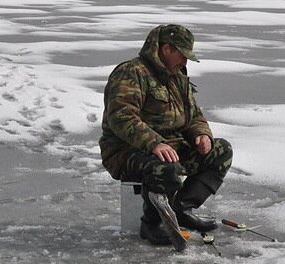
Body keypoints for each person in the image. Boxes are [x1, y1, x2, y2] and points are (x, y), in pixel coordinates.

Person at [99, 24, 232, 245]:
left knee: (222, 151)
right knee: (166, 167)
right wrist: (154, 143)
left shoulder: (177, 76)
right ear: (167, 49)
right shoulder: (131, 73)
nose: (185, 62)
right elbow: (121, 117)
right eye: (182, 55)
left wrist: (201, 135)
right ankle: (152, 223)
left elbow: (193, 115)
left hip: (171, 146)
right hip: (127, 151)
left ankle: (179, 209)